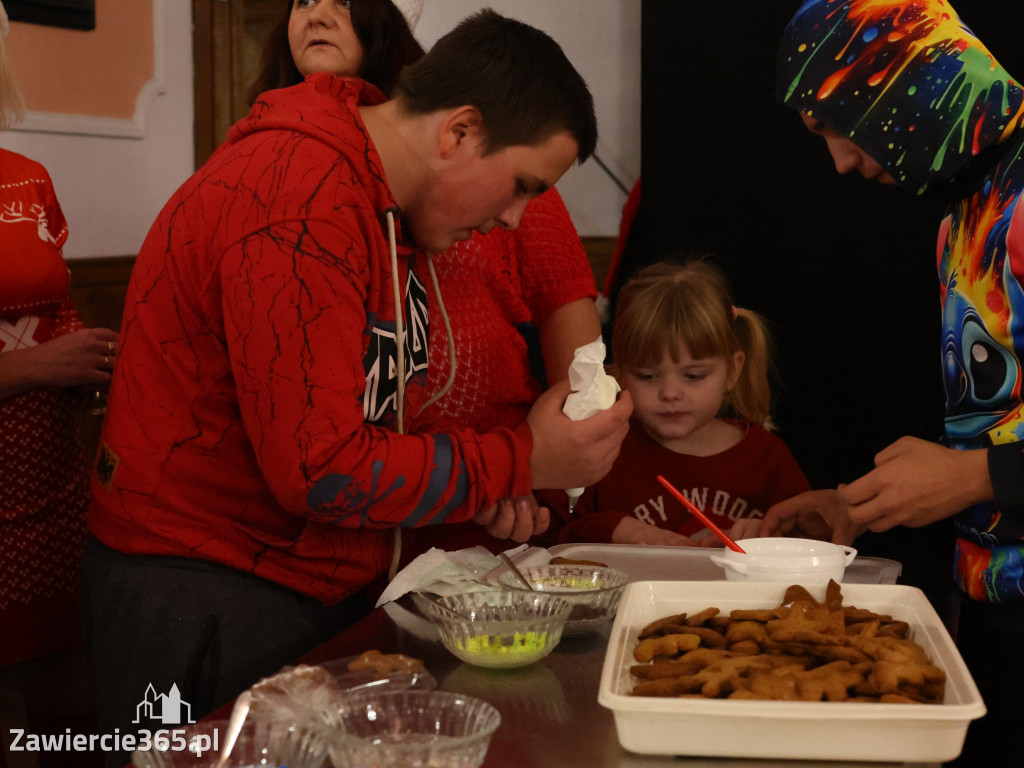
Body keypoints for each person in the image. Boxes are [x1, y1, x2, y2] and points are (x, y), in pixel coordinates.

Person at [81, 9, 631, 765]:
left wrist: (484, 483)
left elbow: (359, 419)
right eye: (521, 186)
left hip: (280, 579)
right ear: (460, 132)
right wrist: (520, 460)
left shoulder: (369, 195)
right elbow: (321, 468)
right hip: (208, 592)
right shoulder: (302, 198)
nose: (514, 218)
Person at [249, 0, 603, 560]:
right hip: (298, 548)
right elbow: (320, 464)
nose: (316, 14)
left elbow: (581, 374)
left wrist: (534, 473)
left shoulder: (442, 185)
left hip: (453, 518)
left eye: (341, 0)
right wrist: (505, 463)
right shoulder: (306, 190)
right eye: (301, 0)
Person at [765, 1, 1024, 763]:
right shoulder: (963, 220)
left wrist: (972, 473)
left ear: (904, 81)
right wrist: (861, 505)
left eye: (837, 125)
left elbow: (983, 462)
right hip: (986, 615)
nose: (843, 162)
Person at [0, 1, 117, 762]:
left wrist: (86, 363)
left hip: (51, 485)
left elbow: (58, 303)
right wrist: (35, 366)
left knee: (61, 717)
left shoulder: (27, 178)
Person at [544, 259, 813, 546]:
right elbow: (548, 542)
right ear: (620, 373)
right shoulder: (599, 449)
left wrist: (769, 537)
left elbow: (812, 545)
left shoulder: (767, 459)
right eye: (647, 375)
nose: (670, 393)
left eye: (694, 376)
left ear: (733, 370)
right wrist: (614, 529)